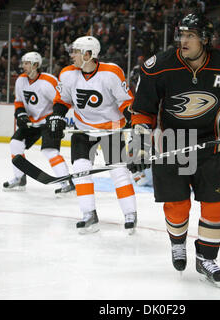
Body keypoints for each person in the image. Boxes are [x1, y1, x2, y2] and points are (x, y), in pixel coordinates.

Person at [127, 12, 220, 288]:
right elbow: (142, 111)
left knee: (216, 204)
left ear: (205, 40)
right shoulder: (158, 66)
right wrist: (139, 144)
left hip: (210, 145)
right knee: (178, 205)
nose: (183, 40)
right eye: (181, 35)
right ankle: (178, 242)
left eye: (190, 35)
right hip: (171, 145)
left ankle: (206, 257)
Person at [47, 36, 138, 234]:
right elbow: (62, 101)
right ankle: (89, 214)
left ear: (88, 55)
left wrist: (135, 123)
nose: (71, 55)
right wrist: (57, 117)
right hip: (83, 128)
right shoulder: (67, 74)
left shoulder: (111, 72)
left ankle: (130, 214)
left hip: (111, 128)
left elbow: (125, 102)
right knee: (80, 170)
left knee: (119, 172)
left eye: (76, 52)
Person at [3, 51, 74, 196]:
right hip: (32, 122)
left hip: (48, 121)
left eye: (27, 63)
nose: (24, 66)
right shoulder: (20, 80)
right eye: (24, 63)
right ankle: (19, 177)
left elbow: (60, 102)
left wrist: (57, 119)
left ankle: (66, 182)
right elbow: (18, 101)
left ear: (36, 65)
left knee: (49, 151)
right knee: (15, 144)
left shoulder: (48, 82)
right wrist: (21, 114)